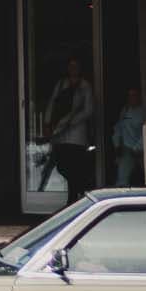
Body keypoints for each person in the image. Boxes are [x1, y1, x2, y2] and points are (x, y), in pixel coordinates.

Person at [45, 55, 98, 203]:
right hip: (60, 134)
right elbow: (53, 103)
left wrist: (70, 122)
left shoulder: (85, 85)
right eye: (70, 66)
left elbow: (89, 110)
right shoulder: (61, 84)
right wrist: (48, 123)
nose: (73, 69)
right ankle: (79, 190)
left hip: (77, 135)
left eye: (75, 66)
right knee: (62, 166)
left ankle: (73, 199)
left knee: (75, 167)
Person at [112, 86, 146, 187]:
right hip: (127, 149)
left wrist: (138, 148)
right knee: (121, 180)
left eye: (134, 95)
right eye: (129, 96)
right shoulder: (125, 109)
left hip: (142, 150)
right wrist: (117, 144)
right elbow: (118, 128)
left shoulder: (144, 110)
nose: (132, 98)